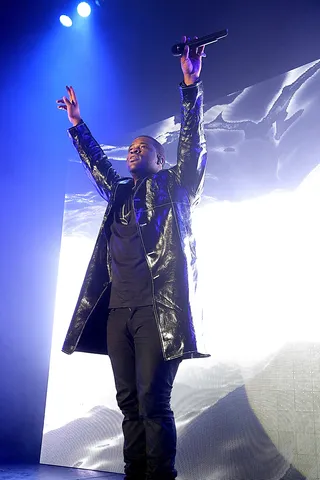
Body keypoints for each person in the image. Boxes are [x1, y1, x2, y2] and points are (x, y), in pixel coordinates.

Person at [57, 36, 209, 480]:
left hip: (156, 313)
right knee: (127, 404)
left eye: (144, 148)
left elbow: (192, 145)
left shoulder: (176, 188)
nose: (134, 151)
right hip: (118, 314)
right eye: (131, 148)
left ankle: (160, 476)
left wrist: (189, 86)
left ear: (160, 161)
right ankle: (134, 474)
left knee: (153, 401)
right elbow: (98, 166)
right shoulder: (120, 192)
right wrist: (78, 124)